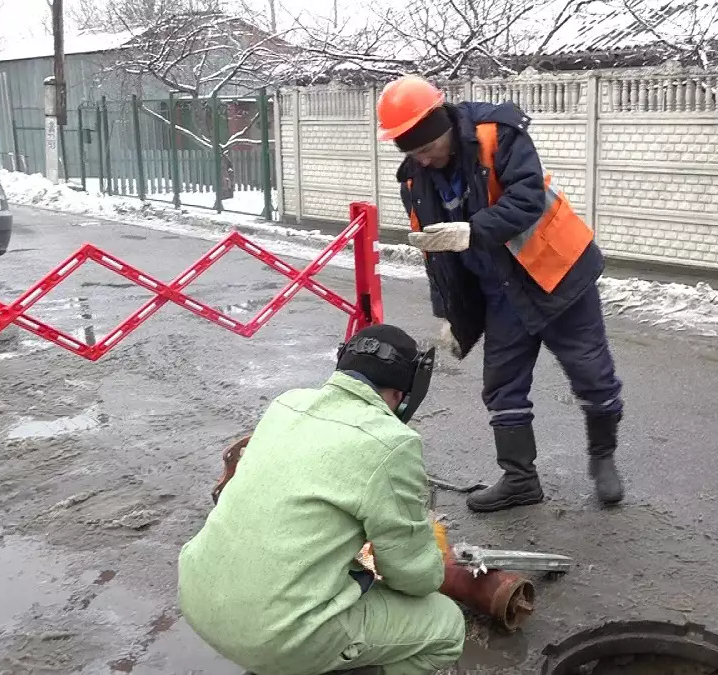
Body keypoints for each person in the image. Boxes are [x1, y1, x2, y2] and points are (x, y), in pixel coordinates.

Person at [375, 74, 627, 513]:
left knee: (592, 374)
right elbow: (438, 256)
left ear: (442, 124)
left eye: (427, 147)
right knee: (502, 386)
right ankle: (520, 479)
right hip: (500, 291)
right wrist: (451, 314)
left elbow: (528, 200)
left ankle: (603, 458)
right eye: (411, 151)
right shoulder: (415, 182)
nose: (424, 159)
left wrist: (473, 230)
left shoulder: (499, 134)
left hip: (557, 273)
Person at [177, 324, 464, 675]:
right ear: (402, 394)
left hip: (198, 597)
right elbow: (414, 578)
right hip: (276, 635)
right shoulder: (392, 442)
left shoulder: (287, 403)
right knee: (447, 627)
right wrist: (430, 556)